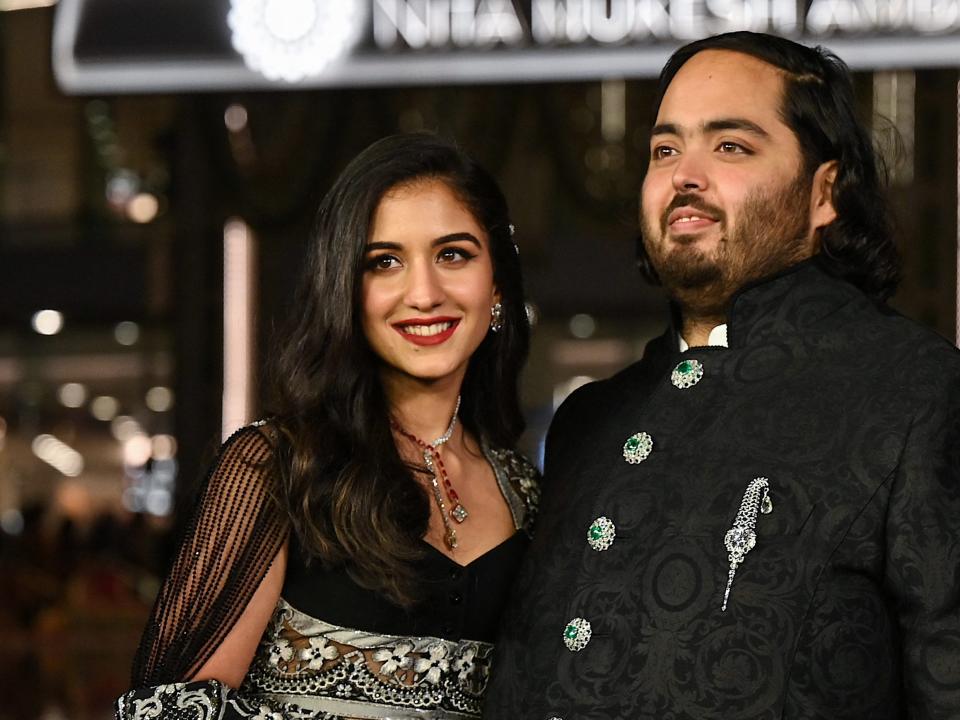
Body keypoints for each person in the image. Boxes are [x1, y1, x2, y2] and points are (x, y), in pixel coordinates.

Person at [483, 31, 960, 719]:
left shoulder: (916, 392)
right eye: (665, 149)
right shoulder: (593, 420)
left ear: (825, 192)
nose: (685, 175)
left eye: (731, 146)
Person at [117, 133, 539, 720]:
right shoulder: (279, 466)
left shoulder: (524, 489)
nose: (424, 293)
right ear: (345, 289)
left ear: (496, 284)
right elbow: (164, 711)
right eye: (384, 262)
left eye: (453, 254)